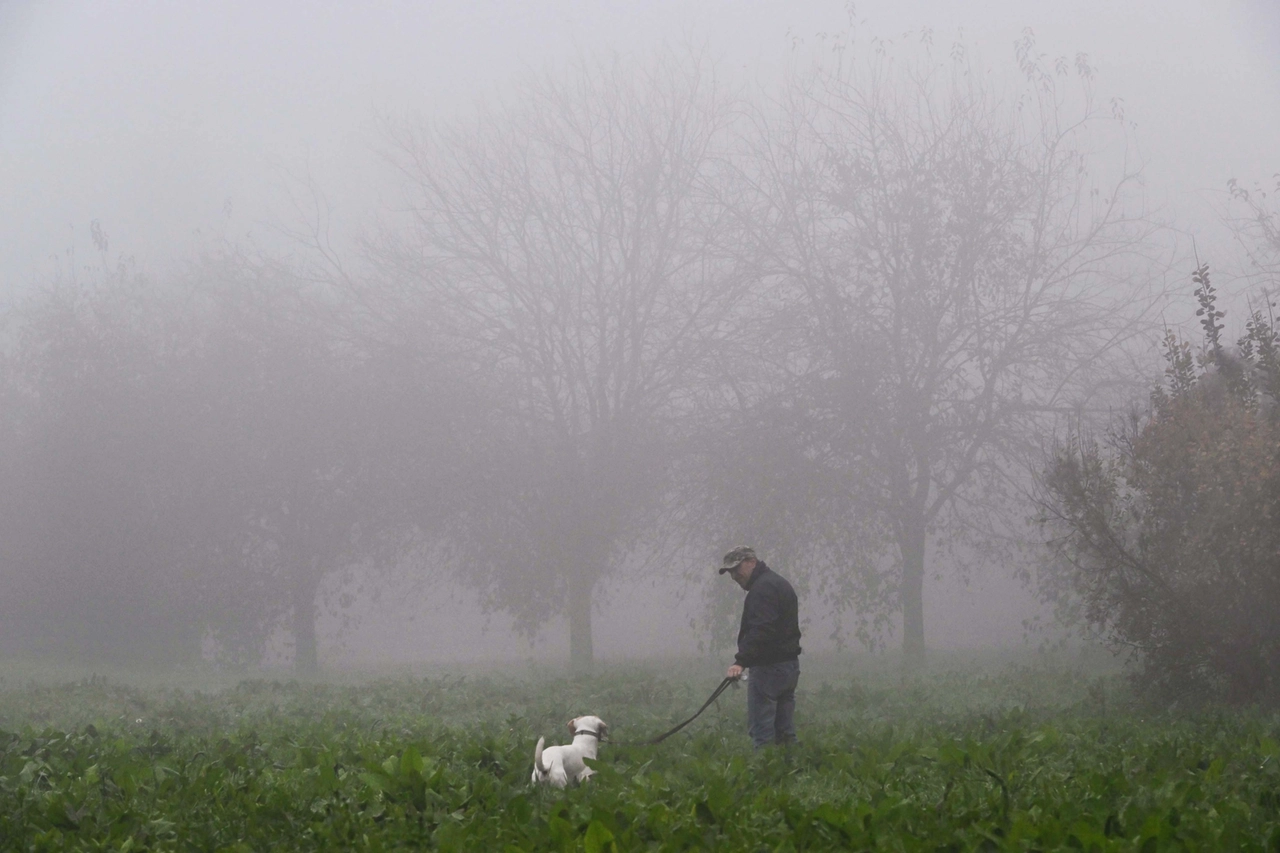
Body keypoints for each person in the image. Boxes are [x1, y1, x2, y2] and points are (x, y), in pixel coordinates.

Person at [718, 546, 801, 748]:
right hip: (788, 667)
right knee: (784, 730)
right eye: (730, 572)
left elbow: (762, 629)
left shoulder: (762, 589)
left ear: (752, 562)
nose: (734, 576)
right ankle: (794, 771)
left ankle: (764, 774)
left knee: (762, 732)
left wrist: (741, 661)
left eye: (737, 569)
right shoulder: (777, 583)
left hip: (768, 669)